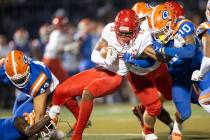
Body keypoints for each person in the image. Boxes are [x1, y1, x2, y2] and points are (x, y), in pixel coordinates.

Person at [51, 9, 172, 140]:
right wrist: (106, 60)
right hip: (102, 69)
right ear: (116, 27)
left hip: (117, 76)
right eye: (121, 33)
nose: (124, 37)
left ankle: (77, 135)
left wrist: (136, 61)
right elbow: (94, 54)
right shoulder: (109, 29)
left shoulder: (143, 37)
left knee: (88, 92)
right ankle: (79, 121)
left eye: (129, 33)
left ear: (137, 30)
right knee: (60, 92)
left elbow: (159, 59)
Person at [148, 3, 201, 140]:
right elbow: (163, 58)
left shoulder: (184, 26)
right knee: (185, 113)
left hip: (198, 69)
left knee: (205, 100)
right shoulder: (155, 37)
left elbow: (189, 52)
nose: (160, 36)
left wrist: (166, 50)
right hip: (178, 76)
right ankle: (177, 124)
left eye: (162, 30)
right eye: (157, 32)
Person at [131, 2, 174, 137]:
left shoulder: (153, 25)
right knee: (153, 106)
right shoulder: (137, 35)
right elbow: (158, 55)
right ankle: (148, 132)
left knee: (169, 94)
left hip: (156, 66)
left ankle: (142, 109)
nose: (146, 23)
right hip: (140, 71)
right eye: (143, 19)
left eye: (148, 18)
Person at [0, 50, 59, 127]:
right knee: (16, 117)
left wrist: (37, 126)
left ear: (28, 68)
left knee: (21, 122)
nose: (19, 81)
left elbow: (39, 115)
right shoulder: (2, 68)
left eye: (21, 78)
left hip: (48, 92)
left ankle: (49, 123)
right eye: (15, 80)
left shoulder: (38, 79)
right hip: (26, 93)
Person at [191, 0, 210, 113]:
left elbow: (207, 60)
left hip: (205, 69)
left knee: (203, 99)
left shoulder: (206, 28)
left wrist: (199, 74)